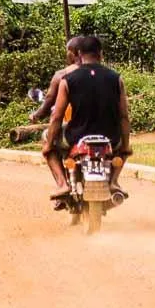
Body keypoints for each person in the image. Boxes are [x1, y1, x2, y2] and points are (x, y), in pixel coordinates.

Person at [41, 34, 132, 206]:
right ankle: (113, 182)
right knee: (125, 149)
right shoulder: (116, 78)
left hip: (76, 135)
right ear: (101, 54)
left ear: (79, 54)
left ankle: (62, 184)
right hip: (110, 136)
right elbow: (124, 116)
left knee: (46, 139)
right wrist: (125, 144)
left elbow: (57, 117)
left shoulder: (67, 80)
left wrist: (49, 144)